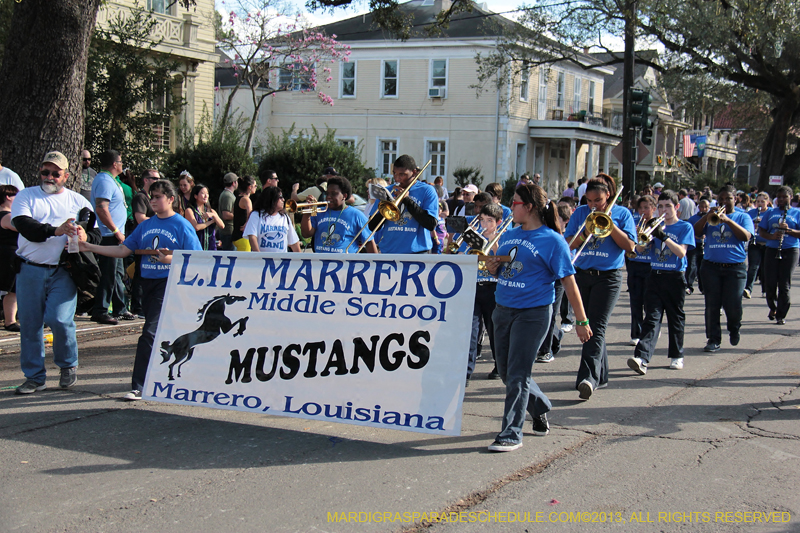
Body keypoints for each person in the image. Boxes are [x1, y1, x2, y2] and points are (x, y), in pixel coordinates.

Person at [483, 184, 591, 452]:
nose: (512, 206)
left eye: (516, 202)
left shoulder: (552, 240)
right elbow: (506, 273)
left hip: (533, 314)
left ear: (529, 207)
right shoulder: (508, 235)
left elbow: (569, 281)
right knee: (507, 372)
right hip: (503, 310)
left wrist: (581, 321)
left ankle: (511, 433)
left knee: (518, 373)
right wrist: (493, 267)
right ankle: (539, 405)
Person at [79, 179, 202, 400]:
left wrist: (171, 259)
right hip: (147, 284)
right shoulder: (145, 225)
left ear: (171, 199)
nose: (152, 201)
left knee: (149, 333)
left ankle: (140, 385)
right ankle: (177, 378)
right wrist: (89, 246)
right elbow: (123, 250)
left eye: (157, 197)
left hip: (170, 284)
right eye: (151, 197)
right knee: (168, 333)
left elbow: (197, 257)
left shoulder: (182, 225)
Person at [11, 151, 98, 394]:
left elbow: (95, 234)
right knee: (29, 325)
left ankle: (68, 363)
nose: (49, 177)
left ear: (66, 176)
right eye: (45, 172)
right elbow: (26, 227)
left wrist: (85, 236)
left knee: (59, 318)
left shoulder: (78, 201)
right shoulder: (26, 196)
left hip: (64, 271)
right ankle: (34, 377)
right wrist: (56, 230)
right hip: (30, 268)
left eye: (55, 173)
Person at [564, 173, 636, 400]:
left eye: (598, 201)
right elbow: (568, 244)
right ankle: (601, 375)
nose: (593, 205)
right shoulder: (580, 214)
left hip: (609, 277)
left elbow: (630, 246)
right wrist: (587, 229)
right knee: (593, 326)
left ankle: (588, 378)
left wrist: (609, 223)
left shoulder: (622, 213)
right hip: (583, 275)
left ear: (608, 196)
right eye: (589, 201)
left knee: (595, 326)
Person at [628, 190, 695, 374]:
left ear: (677, 207)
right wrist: (646, 237)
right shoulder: (654, 225)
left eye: (668, 206)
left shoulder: (684, 227)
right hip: (654, 275)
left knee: (675, 317)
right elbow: (639, 249)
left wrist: (663, 236)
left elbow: (681, 253)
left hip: (674, 276)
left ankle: (677, 355)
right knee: (651, 318)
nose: (664, 210)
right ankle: (642, 357)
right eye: (661, 206)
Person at [694, 185, 754, 352]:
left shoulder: (743, 217)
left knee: (733, 304)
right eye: (720, 199)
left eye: (728, 198)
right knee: (712, 305)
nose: (724, 202)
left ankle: (734, 328)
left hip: (735, 268)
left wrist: (728, 220)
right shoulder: (711, 216)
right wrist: (707, 216)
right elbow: (697, 232)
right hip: (711, 267)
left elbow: (746, 236)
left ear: (736, 199)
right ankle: (713, 339)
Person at [91, 149, 132, 324]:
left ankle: (119, 307)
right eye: (121, 162)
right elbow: (101, 208)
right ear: (114, 164)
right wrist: (115, 230)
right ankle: (100, 310)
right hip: (109, 234)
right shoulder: (105, 181)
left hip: (116, 234)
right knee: (108, 273)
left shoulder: (111, 180)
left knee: (117, 273)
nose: (122, 165)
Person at [367, 155, 438, 254]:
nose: (397, 179)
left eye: (402, 174)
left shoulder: (427, 190)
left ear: (414, 172)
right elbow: (372, 226)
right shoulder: (387, 191)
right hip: (389, 251)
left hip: (417, 253)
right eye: (394, 174)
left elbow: (431, 224)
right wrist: (386, 205)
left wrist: (407, 200)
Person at [300, 176, 377, 254]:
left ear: (344, 196)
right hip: (320, 262)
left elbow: (369, 242)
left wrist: (375, 264)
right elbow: (306, 234)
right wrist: (307, 215)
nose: (328, 197)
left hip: (346, 263)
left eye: (334, 194)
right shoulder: (320, 212)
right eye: (327, 194)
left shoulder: (357, 215)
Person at [759, 186, 800, 325]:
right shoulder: (770, 212)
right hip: (772, 249)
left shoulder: (797, 212)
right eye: (779, 197)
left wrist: (788, 230)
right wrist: (771, 236)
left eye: (784, 197)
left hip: (790, 249)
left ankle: (781, 314)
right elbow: (762, 231)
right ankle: (773, 307)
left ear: (790, 197)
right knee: (770, 283)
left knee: (784, 283)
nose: (781, 200)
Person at [129, 169, 160, 318]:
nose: (157, 181)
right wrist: (161, 222)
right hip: (141, 239)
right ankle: (137, 306)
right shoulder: (141, 197)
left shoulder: (152, 197)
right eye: (154, 178)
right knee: (140, 273)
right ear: (146, 180)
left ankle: (143, 304)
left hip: (152, 240)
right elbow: (140, 218)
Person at [627, 195, 656, 346]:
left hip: (650, 265)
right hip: (635, 263)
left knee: (649, 302)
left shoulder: (658, 224)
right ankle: (636, 333)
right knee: (635, 300)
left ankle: (647, 333)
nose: (643, 211)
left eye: (646, 207)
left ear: (653, 209)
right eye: (641, 208)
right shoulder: (634, 222)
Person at [244, 186, 301, 253]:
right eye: (280, 197)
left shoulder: (285, 217)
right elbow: (252, 237)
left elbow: (294, 243)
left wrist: (301, 260)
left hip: (281, 261)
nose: (283, 200)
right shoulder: (256, 215)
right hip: (262, 260)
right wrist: (259, 257)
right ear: (271, 199)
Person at [0, 185, 20, 331]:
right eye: (15, 196)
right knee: (10, 289)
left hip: (10, 256)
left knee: (13, 289)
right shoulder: (6, 216)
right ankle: (9, 321)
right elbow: (23, 227)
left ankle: (11, 320)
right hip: (7, 257)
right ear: (7, 197)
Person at [745, 192, 770, 299]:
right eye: (758, 202)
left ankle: (765, 290)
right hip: (755, 243)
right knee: (753, 267)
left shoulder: (771, 213)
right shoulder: (751, 213)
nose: (760, 204)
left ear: (768, 202)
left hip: (767, 243)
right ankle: (748, 289)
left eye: (762, 202)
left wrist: (763, 223)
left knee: (765, 268)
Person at [184, 184, 223, 251]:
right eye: (202, 193)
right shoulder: (189, 211)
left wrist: (215, 216)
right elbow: (196, 227)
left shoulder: (211, 211)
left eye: (207, 193)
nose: (206, 196)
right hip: (197, 246)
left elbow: (222, 225)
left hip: (211, 247)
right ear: (195, 196)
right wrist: (211, 221)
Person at [685, 198, 709, 295]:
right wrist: (696, 236)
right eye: (702, 207)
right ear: (698, 207)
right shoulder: (692, 219)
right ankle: (689, 286)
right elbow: (689, 232)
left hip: (705, 245)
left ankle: (703, 287)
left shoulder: (711, 218)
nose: (704, 208)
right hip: (694, 245)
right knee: (692, 266)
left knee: (703, 268)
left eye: (706, 207)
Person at [232, 175, 257, 251]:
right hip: (243, 236)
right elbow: (251, 214)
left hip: (236, 234)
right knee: (245, 261)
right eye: (255, 186)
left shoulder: (238, 198)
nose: (256, 187)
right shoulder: (246, 200)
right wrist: (247, 224)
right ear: (250, 187)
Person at [219, 173, 238, 251]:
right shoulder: (228, 196)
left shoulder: (226, 194)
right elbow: (226, 215)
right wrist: (239, 215)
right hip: (228, 232)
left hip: (227, 231)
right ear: (234, 183)